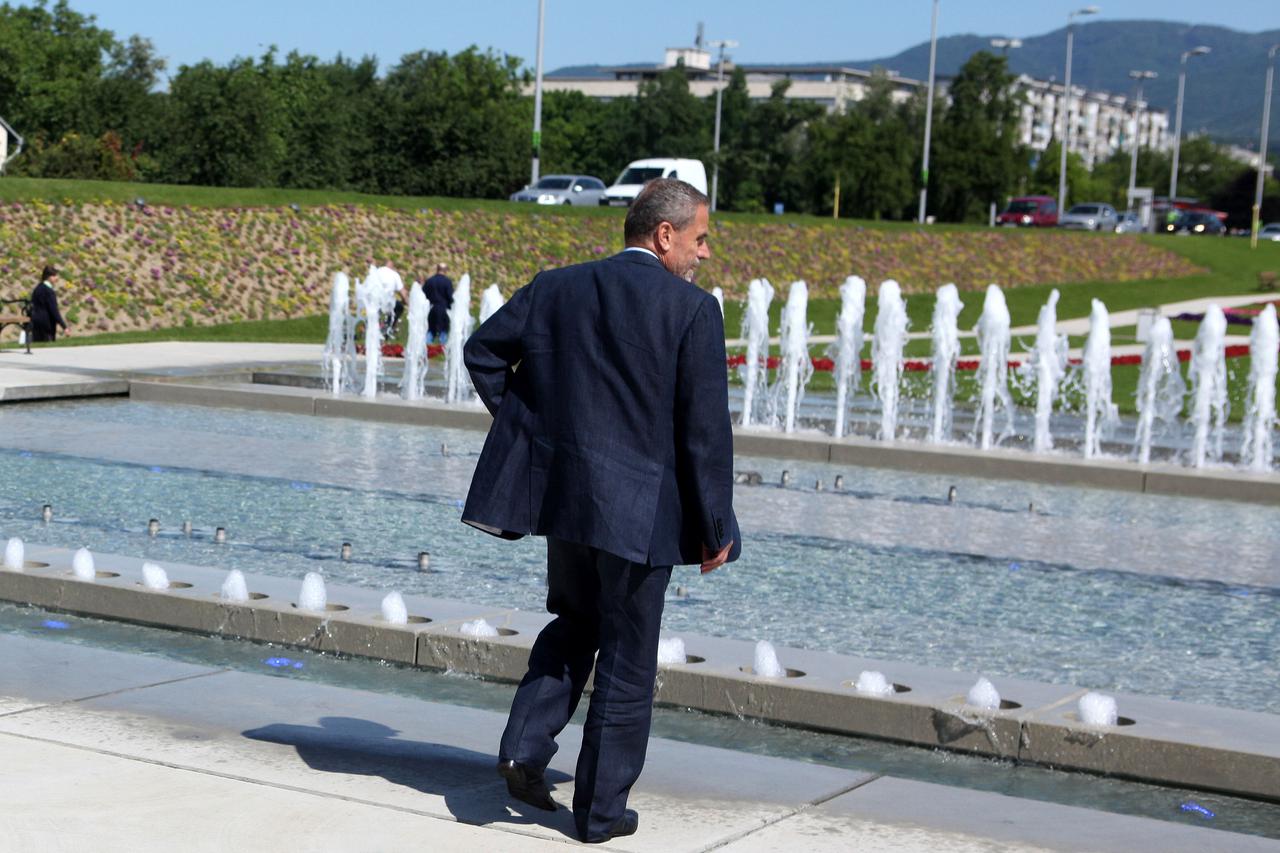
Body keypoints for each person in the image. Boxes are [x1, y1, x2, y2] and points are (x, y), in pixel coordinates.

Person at [461, 179, 739, 844]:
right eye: (700, 239)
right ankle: (601, 812)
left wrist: (541, 438)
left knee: (574, 622)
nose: (704, 254)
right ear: (665, 234)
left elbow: (483, 352)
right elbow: (705, 435)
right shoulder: (692, 311)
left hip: (568, 502)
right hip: (642, 517)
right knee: (628, 656)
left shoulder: (555, 286)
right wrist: (716, 529)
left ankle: (524, 748)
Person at [29, 265, 68, 342]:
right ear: (48, 277)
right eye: (54, 276)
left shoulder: (38, 288)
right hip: (47, 325)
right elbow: (54, 311)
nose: (56, 278)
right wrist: (64, 327)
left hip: (36, 322)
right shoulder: (49, 291)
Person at [423, 263, 453, 343]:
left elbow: (423, 295)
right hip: (443, 308)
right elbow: (450, 297)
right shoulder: (447, 282)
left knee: (430, 329)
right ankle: (442, 348)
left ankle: (427, 347)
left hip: (431, 308)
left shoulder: (429, 281)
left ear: (437, 269)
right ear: (445, 270)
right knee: (443, 330)